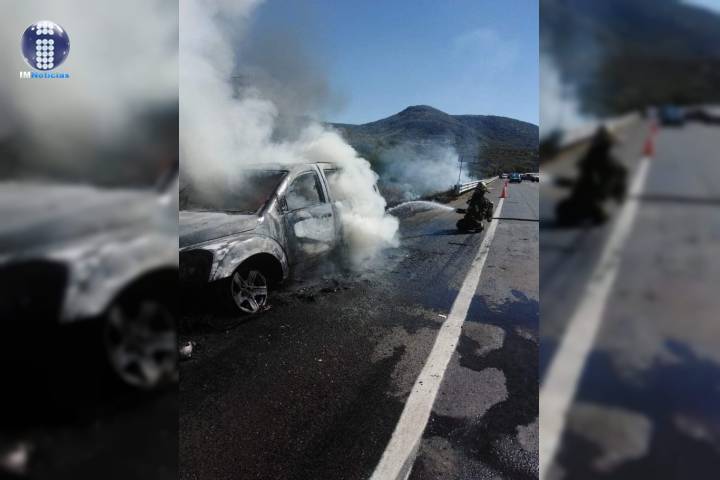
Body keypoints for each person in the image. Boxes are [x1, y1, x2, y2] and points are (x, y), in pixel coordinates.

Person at [556, 126, 627, 225]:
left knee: (599, 213)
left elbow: (616, 173)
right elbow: (584, 171)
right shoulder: (596, 156)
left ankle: (592, 206)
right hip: (590, 191)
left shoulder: (602, 158)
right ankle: (589, 208)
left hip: (594, 190)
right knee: (599, 215)